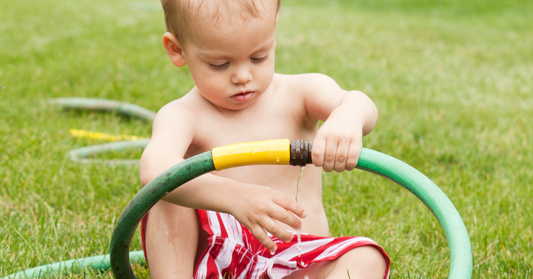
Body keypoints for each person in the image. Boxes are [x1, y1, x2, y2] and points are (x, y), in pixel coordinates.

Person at [139, 0, 390, 278]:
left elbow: (358, 102)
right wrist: (235, 197)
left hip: (298, 261)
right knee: (169, 187)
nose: (243, 76)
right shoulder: (183, 115)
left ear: (274, 30)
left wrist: (348, 117)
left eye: (258, 57)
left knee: (367, 258)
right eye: (219, 64)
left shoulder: (301, 93)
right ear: (177, 49)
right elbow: (153, 169)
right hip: (219, 260)